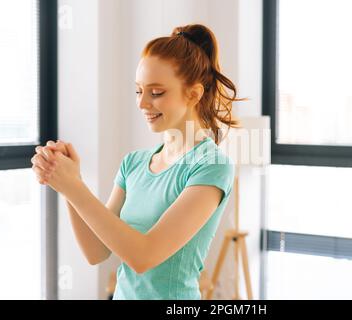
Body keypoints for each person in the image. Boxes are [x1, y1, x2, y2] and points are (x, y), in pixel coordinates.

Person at [31, 24, 246, 300]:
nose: (142, 103)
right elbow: (96, 252)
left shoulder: (211, 166)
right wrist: (68, 182)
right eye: (138, 91)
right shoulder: (133, 163)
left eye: (156, 93)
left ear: (193, 94)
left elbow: (144, 255)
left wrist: (74, 187)